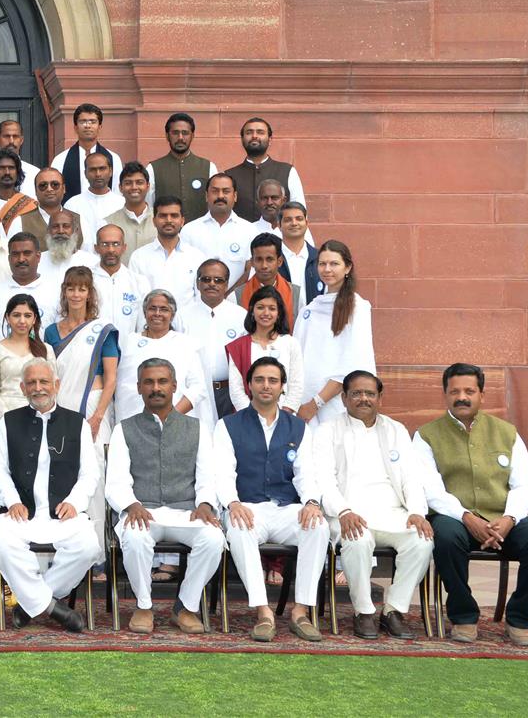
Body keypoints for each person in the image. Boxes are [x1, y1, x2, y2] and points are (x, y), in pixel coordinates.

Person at [413, 363, 528, 647]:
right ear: (445, 394)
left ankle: (519, 617)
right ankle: (463, 615)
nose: (462, 397)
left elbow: (525, 486)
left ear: (482, 394)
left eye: (469, 390)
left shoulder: (507, 433)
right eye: (455, 391)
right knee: (444, 539)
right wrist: (467, 517)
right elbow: (430, 490)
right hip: (454, 518)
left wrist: (509, 519)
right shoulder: (427, 435)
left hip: (502, 519)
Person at [213, 357, 328, 642]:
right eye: (260, 379)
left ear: (282, 387)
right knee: (239, 528)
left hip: (286, 508)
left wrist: (312, 502)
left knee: (319, 526)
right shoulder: (228, 425)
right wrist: (232, 503)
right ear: (249, 385)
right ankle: (263, 612)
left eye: (273, 380)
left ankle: (300, 611)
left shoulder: (298, 427)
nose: (266, 386)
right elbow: (222, 473)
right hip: (247, 507)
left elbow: (306, 474)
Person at [107, 358, 223, 635]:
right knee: (134, 537)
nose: (155, 388)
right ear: (138, 388)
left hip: (185, 511)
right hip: (142, 510)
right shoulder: (124, 429)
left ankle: (185, 607)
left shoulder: (196, 429)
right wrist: (131, 505)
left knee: (213, 538)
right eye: (148, 382)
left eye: (162, 382)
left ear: (174, 386)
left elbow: (208, 476)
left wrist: (206, 504)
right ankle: (144, 606)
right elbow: (115, 482)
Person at [315, 370, 433, 641]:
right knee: (357, 540)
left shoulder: (396, 429)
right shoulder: (328, 430)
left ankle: (394, 610)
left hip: (393, 513)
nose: (363, 399)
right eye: (356, 393)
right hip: (347, 512)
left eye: (370, 393)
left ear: (380, 398)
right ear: (344, 398)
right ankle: (364, 612)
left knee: (422, 540)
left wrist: (416, 511)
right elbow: (323, 479)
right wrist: (343, 511)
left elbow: (411, 477)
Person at [0, 360, 99, 633]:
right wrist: (12, 499)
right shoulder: (9, 422)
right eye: (32, 383)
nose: (38, 388)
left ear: (56, 386)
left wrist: (75, 502)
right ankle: (53, 608)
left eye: (44, 382)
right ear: (23, 388)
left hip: (62, 515)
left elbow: (90, 474)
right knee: (2, 539)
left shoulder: (77, 423)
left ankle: (30, 604)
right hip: (21, 512)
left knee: (88, 546)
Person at [0, 295, 57, 570]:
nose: (22, 321)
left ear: (35, 318)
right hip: (4, 423)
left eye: (27, 315)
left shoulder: (45, 349)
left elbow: (51, 389)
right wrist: (14, 422)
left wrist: (37, 417)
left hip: (41, 422)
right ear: (7, 318)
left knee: (37, 482)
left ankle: (38, 564)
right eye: (16, 315)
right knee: (4, 482)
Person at [46, 268, 118, 552]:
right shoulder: (51, 331)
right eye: (71, 288)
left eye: (82, 288)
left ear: (90, 293)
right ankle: (60, 541)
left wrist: (98, 416)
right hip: (60, 405)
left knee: (94, 471)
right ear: (64, 291)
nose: (76, 294)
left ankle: (96, 550)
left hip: (93, 404)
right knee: (60, 468)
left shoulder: (102, 331)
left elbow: (111, 378)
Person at [294, 241, 374, 426]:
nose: (327, 269)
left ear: (347, 268)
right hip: (303, 406)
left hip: (335, 405)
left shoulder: (357, 307)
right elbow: (296, 357)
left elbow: (352, 363)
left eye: (334, 264)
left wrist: (316, 403)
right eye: (322, 264)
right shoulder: (310, 309)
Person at [113, 289, 208, 430]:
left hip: (174, 424)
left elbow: (198, 388)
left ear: (172, 314)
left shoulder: (186, 344)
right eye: (152, 308)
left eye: (164, 309)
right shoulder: (127, 341)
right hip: (131, 422)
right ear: (145, 312)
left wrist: (171, 417)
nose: (157, 313)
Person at [178, 260, 248, 421]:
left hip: (230, 392)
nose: (212, 284)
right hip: (195, 394)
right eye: (206, 279)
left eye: (218, 280)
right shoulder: (182, 316)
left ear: (226, 284)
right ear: (197, 283)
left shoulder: (240, 316)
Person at [226, 285, 305, 413]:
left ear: (279, 313)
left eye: (272, 308)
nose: (266, 313)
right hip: (248, 418)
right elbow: (236, 390)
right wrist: (253, 416)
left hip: (284, 416)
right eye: (260, 307)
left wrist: (285, 414)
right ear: (252, 311)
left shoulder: (290, 343)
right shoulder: (239, 346)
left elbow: (296, 384)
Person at [179, 173, 259, 290]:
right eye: (215, 191)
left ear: (235, 196)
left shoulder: (249, 230)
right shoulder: (189, 230)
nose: (220, 196)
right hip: (197, 302)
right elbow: (183, 269)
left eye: (226, 191)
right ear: (206, 196)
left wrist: (229, 297)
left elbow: (251, 270)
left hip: (237, 303)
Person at [128, 196, 205, 306]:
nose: (168, 220)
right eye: (163, 216)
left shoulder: (197, 257)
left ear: (182, 221)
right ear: (154, 221)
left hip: (186, 322)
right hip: (150, 322)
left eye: (174, 216)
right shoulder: (139, 257)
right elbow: (135, 298)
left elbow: (200, 297)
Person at [226, 117, 305, 223]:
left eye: (260, 132)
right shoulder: (229, 175)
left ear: (270, 139)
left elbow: (300, 211)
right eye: (249, 132)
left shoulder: (287, 171)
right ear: (242, 139)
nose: (254, 136)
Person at [145, 113, 216, 223]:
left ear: (192, 135)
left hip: (200, 235)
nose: (180, 138)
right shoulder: (153, 169)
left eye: (185, 133)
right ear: (167, 135)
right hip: (166, 234)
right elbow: (149, 207)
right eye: (175, 133)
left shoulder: (208, 167)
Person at [0, 232, 61, 335]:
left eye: (27, 253)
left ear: (38, 256)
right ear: (9, 259)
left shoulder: (55, 292)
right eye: (15, 254)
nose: (21, 259)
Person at [51, 103, 121, 201]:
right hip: (72, 213)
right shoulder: (60, 160)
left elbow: (117, 193)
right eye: (83, 121)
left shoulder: (113, 158)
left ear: (100, 127)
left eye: (92, 121)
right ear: (75, 127)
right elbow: (55, 194)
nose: (87, 126)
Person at [90, 224, 147, 334]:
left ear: (124, 247)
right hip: (94, 348)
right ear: (96, 248)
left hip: (128, 349)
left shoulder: (139, 282)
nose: (111, 249)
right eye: (105, 244)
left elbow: (143, 325)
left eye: (116, 244)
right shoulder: (86, 281)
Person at [64, 151, 124, 245]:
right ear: (85, 173)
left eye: (102, 168)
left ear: (110, 171)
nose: (98, 174)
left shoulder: (122, 203)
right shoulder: (72, 204)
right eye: (93, 170)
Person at [16, 168, 78, 251]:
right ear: (36, 191)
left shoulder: (79, 220)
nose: (49, 189)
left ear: (63, 188)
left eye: (55, 184)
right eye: (43, 185)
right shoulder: (20, 222)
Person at [238, 232, 298, 317]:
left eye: (269, 259)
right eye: (259, 259)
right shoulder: (237, 296)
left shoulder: (296, 294)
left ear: (279, 261)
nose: (264, 266)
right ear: (252, 262)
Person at [103, 160, 156, 254]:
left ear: (148, 186)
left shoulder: (160, 220)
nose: (134, 187)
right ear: (120, 187)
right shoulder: (108, 222)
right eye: (128, 183)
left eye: (139, 182)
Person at [279, 201, 323, 306]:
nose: (294, 223)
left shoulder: (320, 258)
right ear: (279, 225)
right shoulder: (271, 258)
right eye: (288, 220)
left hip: (313, 320)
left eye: (299, 219)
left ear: (306, 224)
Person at [0, 148, 37, 235]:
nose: (7, 172)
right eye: (2, 168)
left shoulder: (31, 205)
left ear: (18, 172)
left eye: (11, 168)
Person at [41, 210, 95, 289]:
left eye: (66, 226)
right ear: (48, 230)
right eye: (55, 226)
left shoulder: (92, 262)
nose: (61, 231)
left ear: (76, 231)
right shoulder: (38, 261)